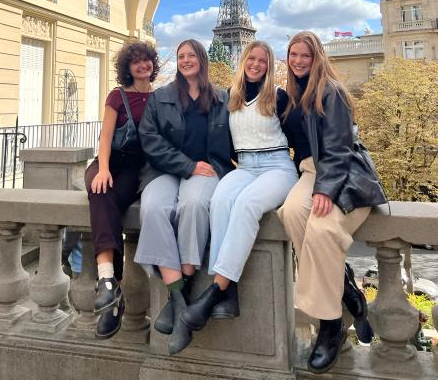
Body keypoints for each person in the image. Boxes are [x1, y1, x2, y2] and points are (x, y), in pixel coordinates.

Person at [277, 31, 387, 374]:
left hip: (342, 175)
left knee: (322, 232)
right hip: (311, 172)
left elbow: (339, 148)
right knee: (291, 213)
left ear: (317, 57)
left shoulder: (330, 91)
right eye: (292, 55)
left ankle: (330, 325)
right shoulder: (294, 94)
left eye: (304, 56)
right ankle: (345, 286)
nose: (297, 61)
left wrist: (325, 190)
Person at [181, 41, 298, 335]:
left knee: (247, 204)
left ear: (269, 66)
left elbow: (300, 137)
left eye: (262, 60)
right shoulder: (230, 98)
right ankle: (229, 290)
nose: (256, 64)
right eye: (252, 59)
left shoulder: (279, 97)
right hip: (244, 166)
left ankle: (216, 289)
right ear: (243, 60)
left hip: (278, 166)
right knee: (220, 199)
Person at [135, 38, 233, 356]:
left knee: (193, 205)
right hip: (167, 170)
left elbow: (239, 136)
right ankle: (179, 299)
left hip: (206, 171)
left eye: (191, 55)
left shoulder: (221, 97)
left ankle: (184, 283)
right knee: (152, 208)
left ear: (202, 59)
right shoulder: (161, 96)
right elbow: (150, 141)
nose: (186, 60)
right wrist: (187, 165)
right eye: (181, 56)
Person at [84, 41, 159, 339]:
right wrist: (102, 169)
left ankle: (111, 301)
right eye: (135, 62)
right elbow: (105, 136)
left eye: (146, 60)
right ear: (127, 68)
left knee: (110, 202)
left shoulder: (160, 98)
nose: (142, 65)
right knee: (100, 191)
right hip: (109, 160)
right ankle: (107, 281)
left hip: (133, 167)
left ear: (153, 64)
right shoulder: (117, 96)